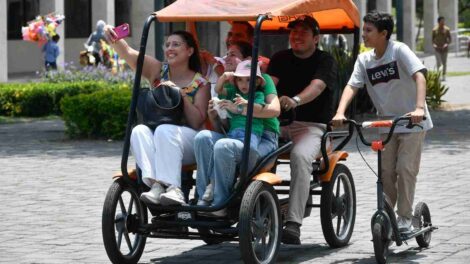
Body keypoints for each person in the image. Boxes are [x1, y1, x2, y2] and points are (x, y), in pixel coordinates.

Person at [332, 11, 433, 233]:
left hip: (411, 120)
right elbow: (352, 86)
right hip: (386, 122)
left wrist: (418, 108)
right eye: (364, 30)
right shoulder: (364, 59)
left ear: (383, 33)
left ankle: (405, 218)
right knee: (386, 172)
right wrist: (340, 112)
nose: (364, 35)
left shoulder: (399, 50)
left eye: (369, 31)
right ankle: (388, 215)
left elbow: (420, 76)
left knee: (405, 168)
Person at [104, 26, 210, 206]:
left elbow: (196, 121)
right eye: (167, 44)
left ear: (189, 51)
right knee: (138, 131)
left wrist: (180, 95)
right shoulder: (158, 70)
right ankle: (155, 185)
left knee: (164, 130)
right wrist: (113, 37)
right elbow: (129, 53)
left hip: (189, 142)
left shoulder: (201, 83)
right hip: (160, 137)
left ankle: (174, 188)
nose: (170, 48)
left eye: (176, 45)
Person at [267, 15, 337, 245]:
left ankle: (293, 223)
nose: (296, 36)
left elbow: (316, 87)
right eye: (293, 31)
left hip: (311, 127)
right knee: (255, 149)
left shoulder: (325, 60)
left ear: (316, 38)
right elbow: (270, 85)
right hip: (277, 124)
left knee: (300, 156)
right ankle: (253, 204)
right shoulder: (280, 58)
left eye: (303, 32)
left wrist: (295, 100)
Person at [194, 43, 281, 217]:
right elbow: (225, 128)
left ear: (248, 61)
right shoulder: (232, 89)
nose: (226, 58)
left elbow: (274, 109)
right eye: (226, 53)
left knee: (224, 146)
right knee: (202, 137)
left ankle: (221, 202)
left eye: (233, 54)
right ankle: (203, 198)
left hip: (261, 137)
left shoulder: (262, 85)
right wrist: (214, 116)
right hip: (235, 136)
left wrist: (240, 108)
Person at [432, 16, 451, 81]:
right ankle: (439, 75)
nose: (443, 22)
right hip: (437, 49)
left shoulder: (447, 29)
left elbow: (450, 39)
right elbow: (432, 39)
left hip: (445, 49)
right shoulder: (434, 30)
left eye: (444, 21)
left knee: (444, 63)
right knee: (438, 62)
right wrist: (434, 45)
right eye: (442, 21)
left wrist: (446, 44)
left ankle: (444, 75)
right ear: (438, 22)